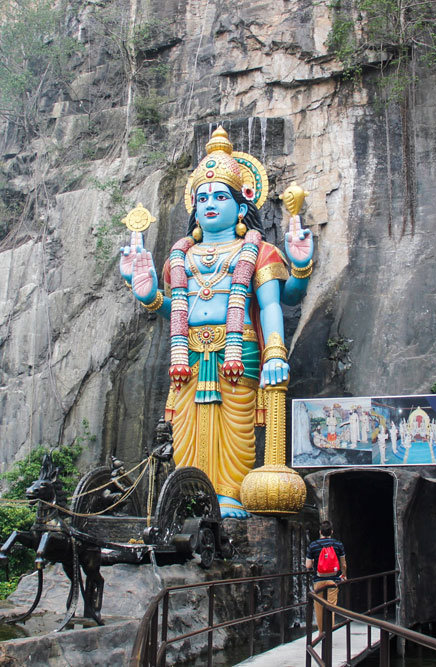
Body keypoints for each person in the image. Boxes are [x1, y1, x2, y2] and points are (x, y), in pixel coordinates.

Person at [120, 127, 314, 518]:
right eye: (203, 197)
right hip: (187, 353)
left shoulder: (258, 251)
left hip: (237, 349)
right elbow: (173, 308)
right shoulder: (180, 258)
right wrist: (147, 295)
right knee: (186, 430)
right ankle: (187, 496)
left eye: (220, 196)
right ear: (193, 207)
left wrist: (276, 351)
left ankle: (227, 494)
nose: (210, 203)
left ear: (242, 207)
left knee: (235, 427)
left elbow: (275, 303)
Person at [305, 520, 347, 633]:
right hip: (333, 580)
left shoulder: (313, 545)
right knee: (331, 607)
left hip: (319, 580)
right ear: (331, 531)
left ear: (320, 532)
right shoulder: (338, 544)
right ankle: (329, 634)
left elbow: (308, 565)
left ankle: (320, 633)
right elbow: (343, 564)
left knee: (319, 607)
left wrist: (315, 562)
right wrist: (344, 575)